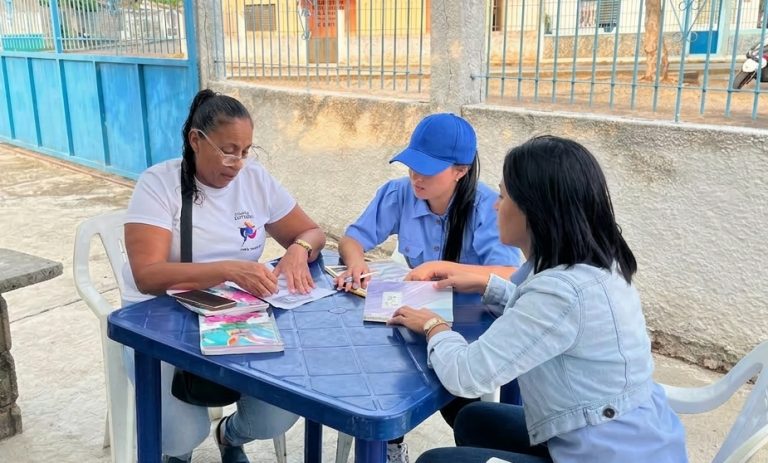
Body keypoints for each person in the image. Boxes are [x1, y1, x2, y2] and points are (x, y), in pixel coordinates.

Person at [388, 135, 689, 463]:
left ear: (534, 211)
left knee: (435, 462)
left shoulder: (561, 292)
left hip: (605, 453)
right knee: (475, 419)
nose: (494, 206)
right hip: (624, 433)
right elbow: (551, 321)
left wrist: (433, 326)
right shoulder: (590, 261)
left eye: (503, 197)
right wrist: (484, 283)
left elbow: (467, 374)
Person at [122, 89, 326, 463]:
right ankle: (177, 454)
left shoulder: (256, 181)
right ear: (196, 140)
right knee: (180, 435)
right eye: (229, 150)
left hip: (234, 315)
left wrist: (298, 249)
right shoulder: (159, 183)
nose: (238, 162)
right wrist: (230, 269)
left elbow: (313, 233)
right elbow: (146, 275)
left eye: (247, 151)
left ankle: (230, 435)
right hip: (161, 320)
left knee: (280, 411)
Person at [335, 112, 523, 462]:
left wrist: (444, 267)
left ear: (460, 170)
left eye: (428, 169)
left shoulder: (488, 207)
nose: (416, 177)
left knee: (460, 402)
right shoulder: (399, 193)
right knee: (380, 368)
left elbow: (510, 271)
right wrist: (356, 262)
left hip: (471, 324)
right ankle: (390, 443)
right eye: (411, 165)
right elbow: (353, 238)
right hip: (416, 311)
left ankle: (479, 452)